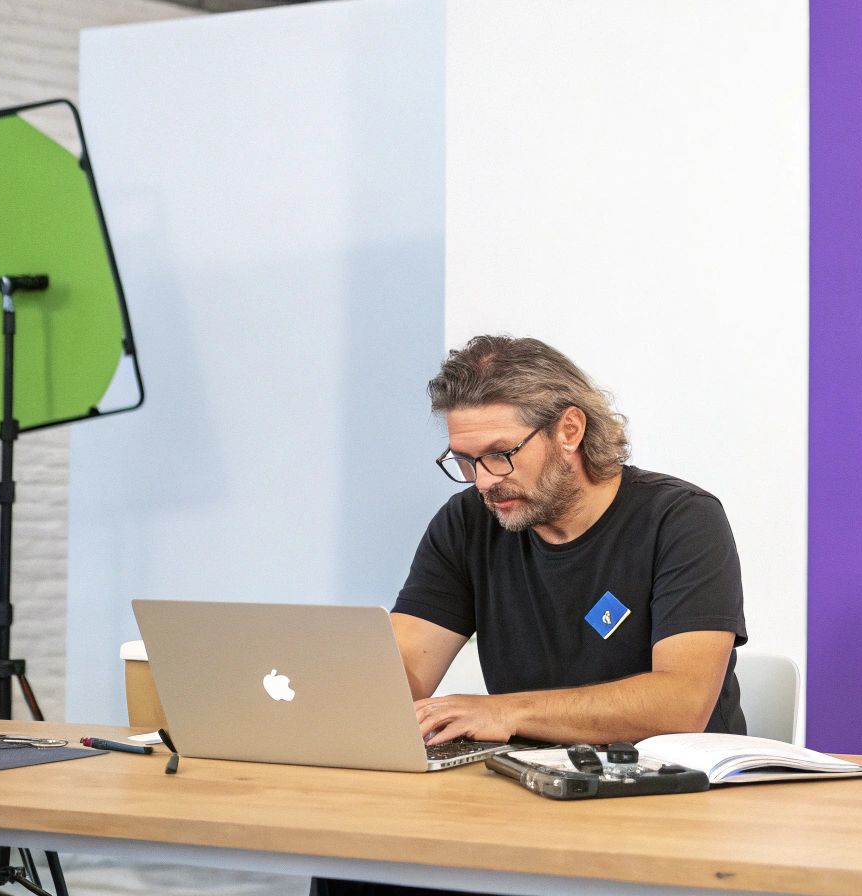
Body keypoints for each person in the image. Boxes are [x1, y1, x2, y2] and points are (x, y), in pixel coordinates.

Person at [313, 335, 746, 896]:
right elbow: (396, 672)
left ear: (570, 430)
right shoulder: (468, 522)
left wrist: (503, 712)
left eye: (500, 453)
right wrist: (329, 704)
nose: (485, 481)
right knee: (353, 864)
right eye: (465, 461)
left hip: (664, 804)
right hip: (525, 793)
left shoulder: (681, 520)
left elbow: (681, 703)